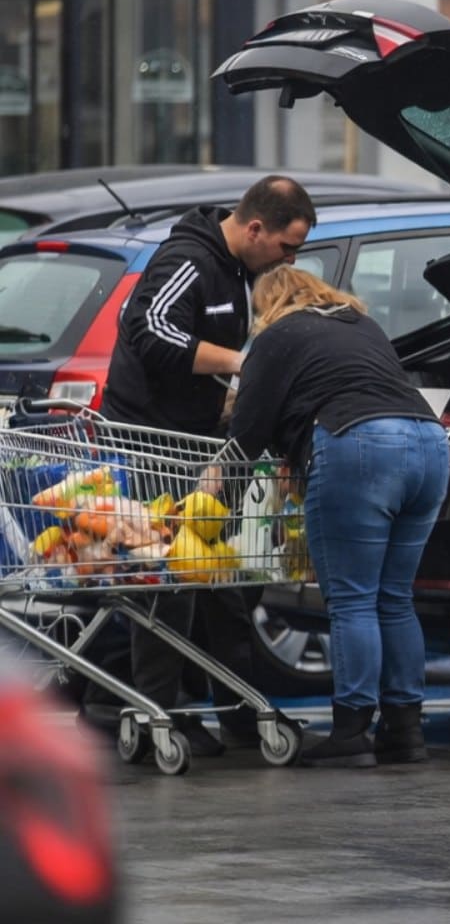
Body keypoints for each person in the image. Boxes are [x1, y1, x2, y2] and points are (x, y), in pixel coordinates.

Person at [85, 176, 315, 758]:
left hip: (198, 443)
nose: (291, 260)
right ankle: (156, 709)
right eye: (288, 247)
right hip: (150, 443)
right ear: (255, 228)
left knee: (220, 578)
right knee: (170, 581)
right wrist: (242, 363)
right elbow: (150, 330)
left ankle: (238, 711)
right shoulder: (187, 258)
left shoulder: (241, 270)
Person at [230, 266, 448, 768]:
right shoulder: (361, 324)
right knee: (394, 599)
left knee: (352, 600)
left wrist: (223, 497)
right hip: (428, 441)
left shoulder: (278, 334)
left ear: (270, 303)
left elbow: (247, 429)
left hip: (360, 445)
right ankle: (405, 732)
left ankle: (351, 730)